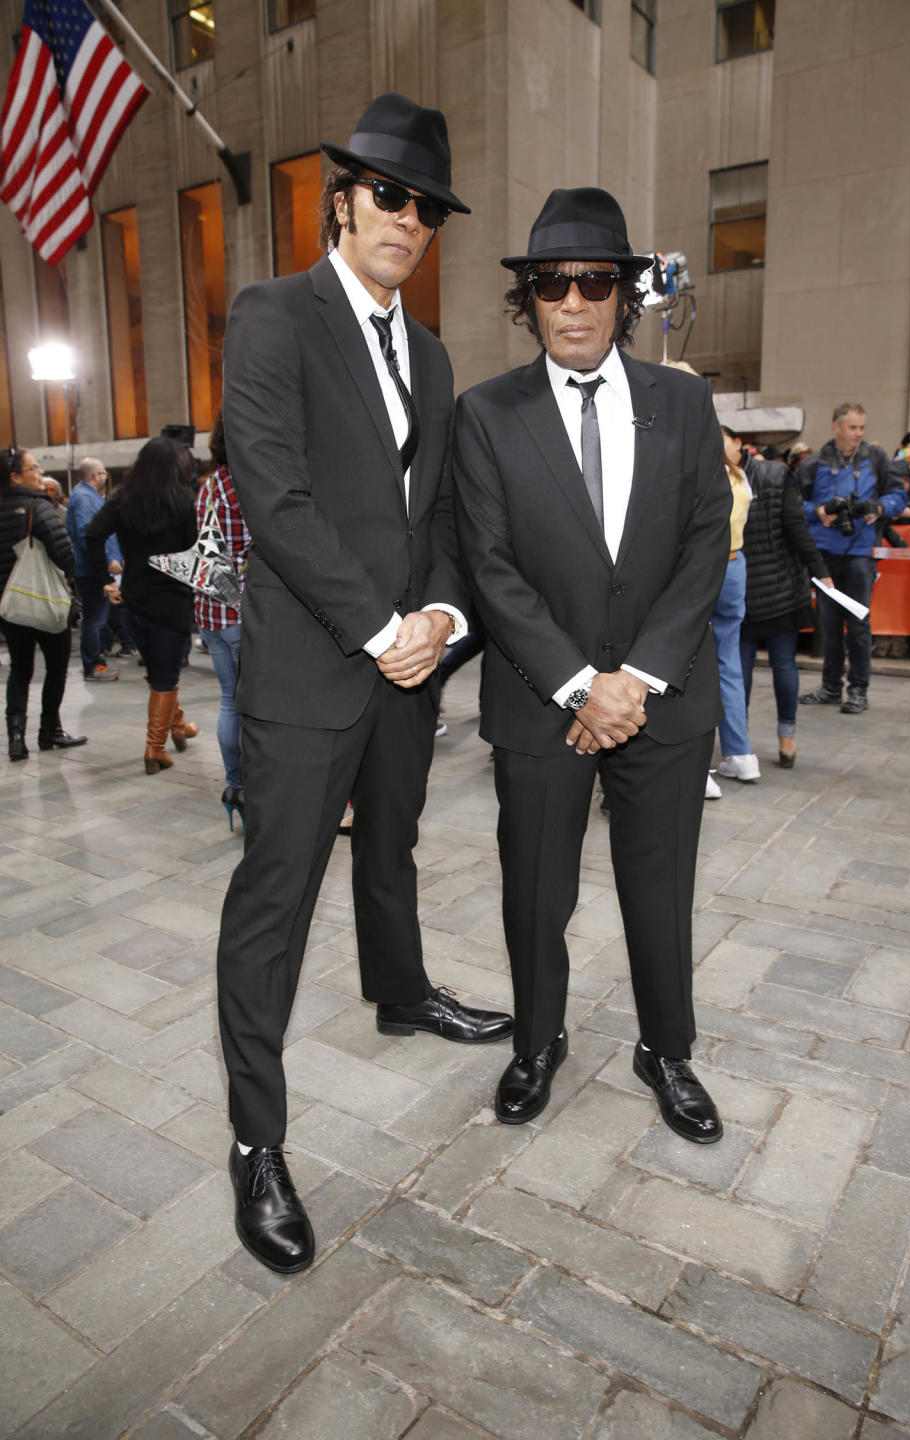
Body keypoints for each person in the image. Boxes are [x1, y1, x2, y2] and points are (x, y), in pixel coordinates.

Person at [217, 92, 511, 1277]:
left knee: (393, 846)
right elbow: (274, 498)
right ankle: (255, 1143)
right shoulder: (274, 316)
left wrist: (438, 615)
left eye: (427, 208)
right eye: (390, 195)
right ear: (343, 200)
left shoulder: (432, 354)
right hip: (309, 667)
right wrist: (381, 624)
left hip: (406, 669)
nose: (408, 221)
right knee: (274, 901)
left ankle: (400, 992)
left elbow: (433, 509)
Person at [453, 187, 731, 1140]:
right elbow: (488, 566)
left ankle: (668, 1050)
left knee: (662, 887)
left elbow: (706, 545)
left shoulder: (685, 400)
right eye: (550, 284)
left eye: (593, 282)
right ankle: (537, 1042)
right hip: (542, 703)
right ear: (527, 299)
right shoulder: (485, 415)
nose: (572, 302)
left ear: (624, 294)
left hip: (664, 699)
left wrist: (638, 678)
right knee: (535, 887)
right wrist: (581, 684)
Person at [85, 437, 199, 773]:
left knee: (159, 671)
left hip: (134, 598)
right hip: (172, 599)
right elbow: (194, 550)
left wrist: (104, 579)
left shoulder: (123, 499)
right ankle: (154, 749)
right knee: (165, 676)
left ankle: (177, 725)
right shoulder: (182, 502)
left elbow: (92, 534)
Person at [798, 402, 905, 713]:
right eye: (853, 427)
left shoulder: (876, 459)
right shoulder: (814, 463)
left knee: (859, 624)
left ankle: (858, 690)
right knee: (829, 625)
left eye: (862, 428)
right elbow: (795, 505)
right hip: (824, 556)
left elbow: (899, 495)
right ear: (836, 427)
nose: (859, 434)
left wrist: (880, 507)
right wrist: (819, 512)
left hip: (859, 554)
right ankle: (831, 686)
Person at [739, 456, 833, 767]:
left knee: (760, 668)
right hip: (757, 591)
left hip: (766, 590)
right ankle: (765, 741)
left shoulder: (769, 476)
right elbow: (798, 529)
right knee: (753, 669)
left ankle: (752, 743)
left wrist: (819, 571)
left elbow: (797, 528)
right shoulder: (773, 475)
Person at [0, 449, 86, 759]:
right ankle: (49, 730)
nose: (40, 472)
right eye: (33, 467)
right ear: (15, 476)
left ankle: (15, 738)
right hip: (46, 602)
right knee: (56, 667)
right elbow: (65, 554)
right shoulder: (39, 507)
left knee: (19, 670)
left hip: (10, 606)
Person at [193, 413, 250, 831]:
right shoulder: (245, 485)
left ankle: (236, 789)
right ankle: (253, 789)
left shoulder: (208, 486)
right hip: (242, 611)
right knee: (253, 707)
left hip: (209, 612)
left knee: (230, 702)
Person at [707, 427, 759, 795]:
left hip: (705, 567)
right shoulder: (740, 478)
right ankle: (740, 752)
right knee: (729, 662)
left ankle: (698, 765)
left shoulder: (707, 475)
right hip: (735, 563)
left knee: (690, 663)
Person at [65, 458, 120, 682]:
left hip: (94, 568)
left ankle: (96, 663)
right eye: (104, 473)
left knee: (97, 618)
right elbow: (88, 534)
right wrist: (107, 560)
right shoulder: (84, 498)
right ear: (95, 475)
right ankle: (94, 665)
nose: (106, 478)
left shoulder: (87, 497)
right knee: (94, 619)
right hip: (91, 570)